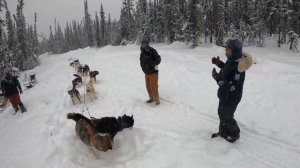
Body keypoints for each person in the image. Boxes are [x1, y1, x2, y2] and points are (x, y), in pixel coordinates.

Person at [211, 39, 253, 143]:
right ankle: (223, 132)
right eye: (226, 49)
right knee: (221, 113)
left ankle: (235, 134)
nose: (225, 52)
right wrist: (219, 63)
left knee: (227, 116)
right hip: (224, 95)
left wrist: (218, 79)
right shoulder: (232, 61)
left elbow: (232, 86)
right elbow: (227, 69)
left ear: (234, 51)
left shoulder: (239, 68)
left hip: (232, 97)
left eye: (228, 50)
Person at [140, 39, 161, 105]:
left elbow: (158, 59)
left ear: (147, 44)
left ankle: (156, 99)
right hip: (146, 72)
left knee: (153, 86)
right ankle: (151, 98)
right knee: (148, 86)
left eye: (144, 44)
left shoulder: (152, 51)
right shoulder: (142, 52)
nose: (142, 45)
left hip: (153, 72)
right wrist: (143, 68)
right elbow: (141, 61)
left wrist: (152, 64)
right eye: (142, 44)